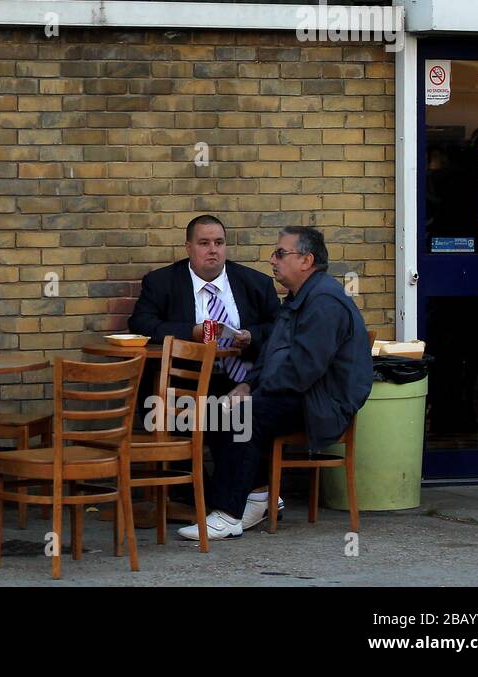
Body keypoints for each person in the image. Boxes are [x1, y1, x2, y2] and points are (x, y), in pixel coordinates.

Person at [179, 226, 372, 541]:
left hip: (322, 404)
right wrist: (246, 387)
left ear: (306, 260)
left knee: (243, 416)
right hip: (300, 394)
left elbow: (303, 370)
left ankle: (228, 514)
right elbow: (271, 355)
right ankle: (255, 498)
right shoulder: (299, 297)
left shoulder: (324, 301)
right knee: (219, 408)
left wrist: (252, 396)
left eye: (281, 253)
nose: (272, 259)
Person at [129, 215, 281, 394]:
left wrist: (251, 336)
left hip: (244, 381)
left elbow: (280, 327)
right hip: (183, 381)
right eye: (204, 243)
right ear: (188, 248)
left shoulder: (256, 283)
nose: (213, 250)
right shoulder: (161, 282)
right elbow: (140, 324)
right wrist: (191, 333)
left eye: (219, 242)